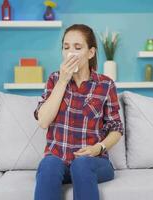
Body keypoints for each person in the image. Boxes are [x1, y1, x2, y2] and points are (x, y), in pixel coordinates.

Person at [33, 24, 124, 200]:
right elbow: (43, 121)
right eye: (66, 47)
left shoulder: (105, 85)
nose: (70, 53)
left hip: (94, 163)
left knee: (81, 165)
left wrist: (98, 148)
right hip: (58, 160)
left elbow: (116, 128)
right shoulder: (54, 80)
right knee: (49, 163)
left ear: (91, 53)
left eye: (77, 47)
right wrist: (63, 80)